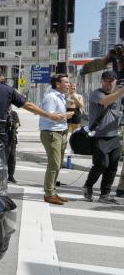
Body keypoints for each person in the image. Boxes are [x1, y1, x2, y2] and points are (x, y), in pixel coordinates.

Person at [82, 71, 124, 203]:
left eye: (111, 81)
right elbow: (107, 101)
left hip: (114, 136)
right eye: (106, 80)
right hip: (100, 136)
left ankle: (105, 194)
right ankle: (88, 185)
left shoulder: (118, 94)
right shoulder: (97, 93)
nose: (108, 83)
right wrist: (121, 90)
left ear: (115, 82)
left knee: (112, 167)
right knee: (101, 164)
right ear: (101, 81)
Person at [38, 74, 73, 205]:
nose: (69, 84)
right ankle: (49, 193)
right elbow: (48, 116)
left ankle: (52, 191)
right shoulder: (51, 97)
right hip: (52, 133)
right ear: (57, 84)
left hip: (61, 133)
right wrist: (66, 115)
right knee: (54, 164)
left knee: (57, 164)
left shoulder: (60, 97)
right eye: (66, 82)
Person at [7, 109, 20, 183]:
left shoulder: (14, 113)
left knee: (12, 158)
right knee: (4, 158)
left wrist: (14, 124)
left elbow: (18, 124)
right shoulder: (1, 111)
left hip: (12, 139)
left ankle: (11, 176)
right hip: (4, 138)